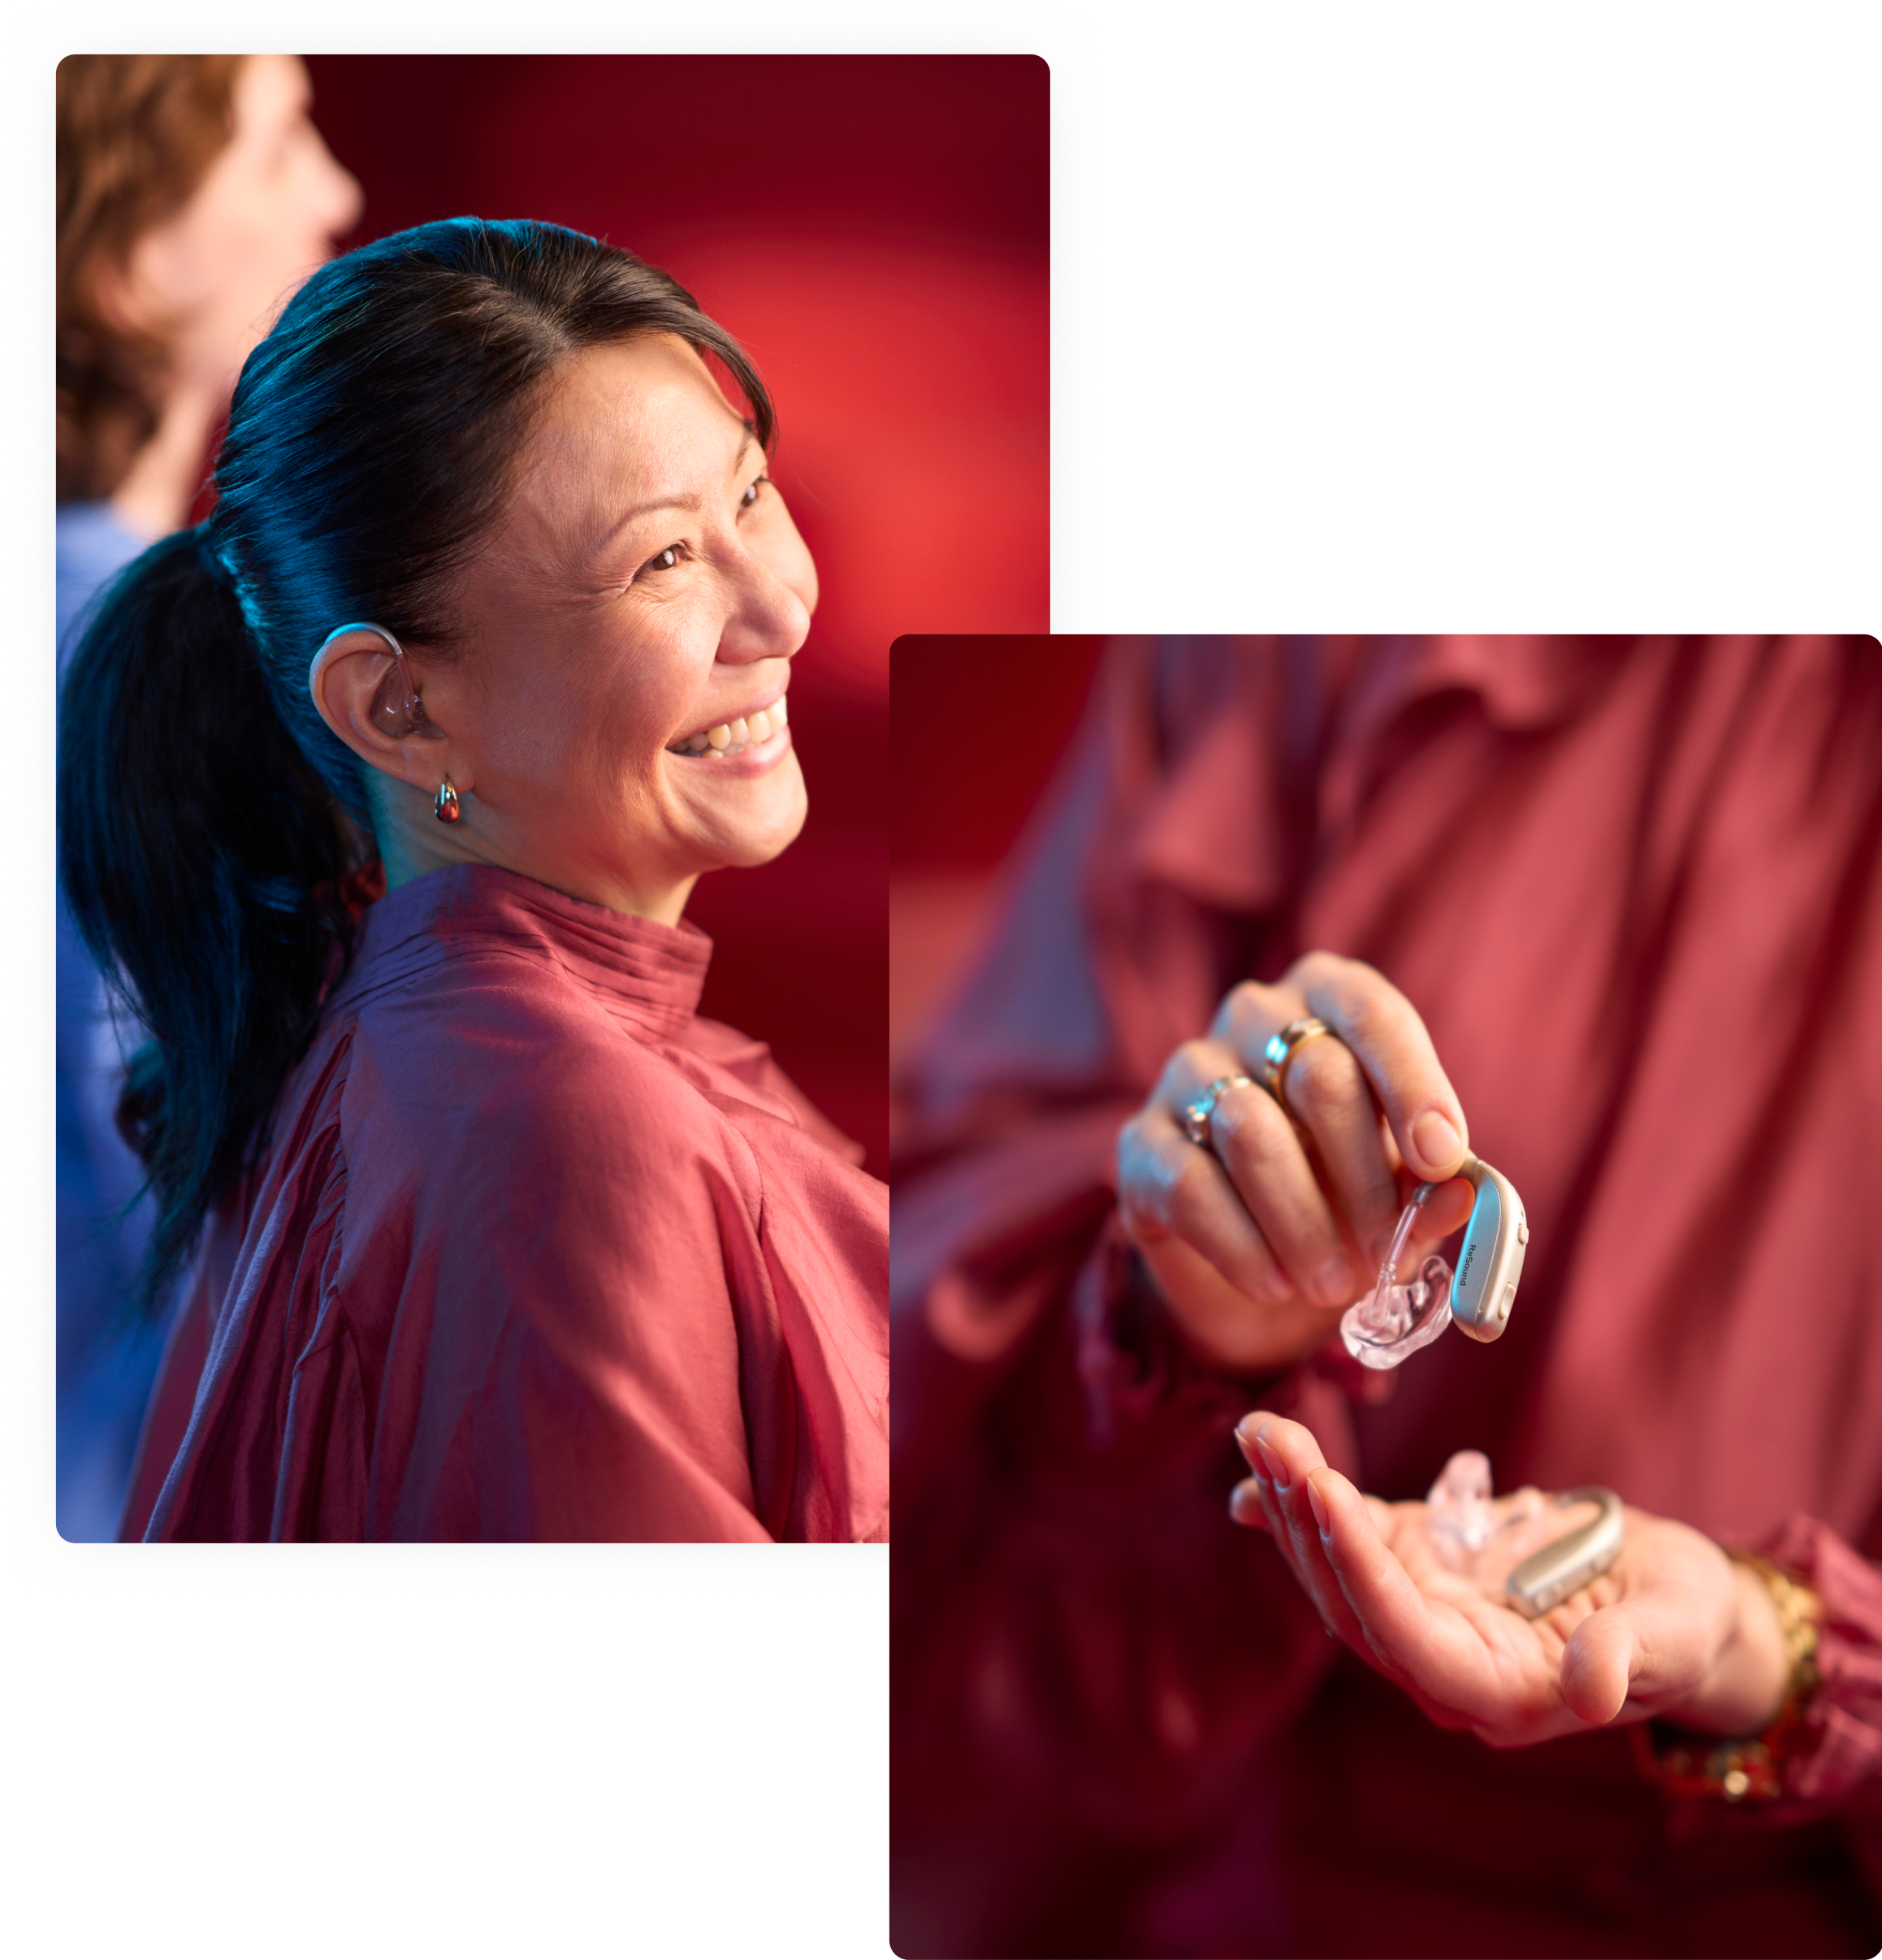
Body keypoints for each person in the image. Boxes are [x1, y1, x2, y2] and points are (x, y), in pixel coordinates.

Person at [889, 635, 1880, 1958]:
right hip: (1257, 1886)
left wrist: (1776, 1641)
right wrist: (1179, 1322)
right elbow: (925, 1391)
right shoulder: (1291, 661)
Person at [59, 216, 887, 1544]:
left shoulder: (403, 1039)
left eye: (748, 495)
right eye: (662, 560)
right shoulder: (564, 1130)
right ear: (401, 708)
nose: (784, 610)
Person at [54, 52, 361, 1540]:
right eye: (277, 146)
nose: (338, 195)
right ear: (118, 259)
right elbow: (179, 1177)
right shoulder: (126, 658)